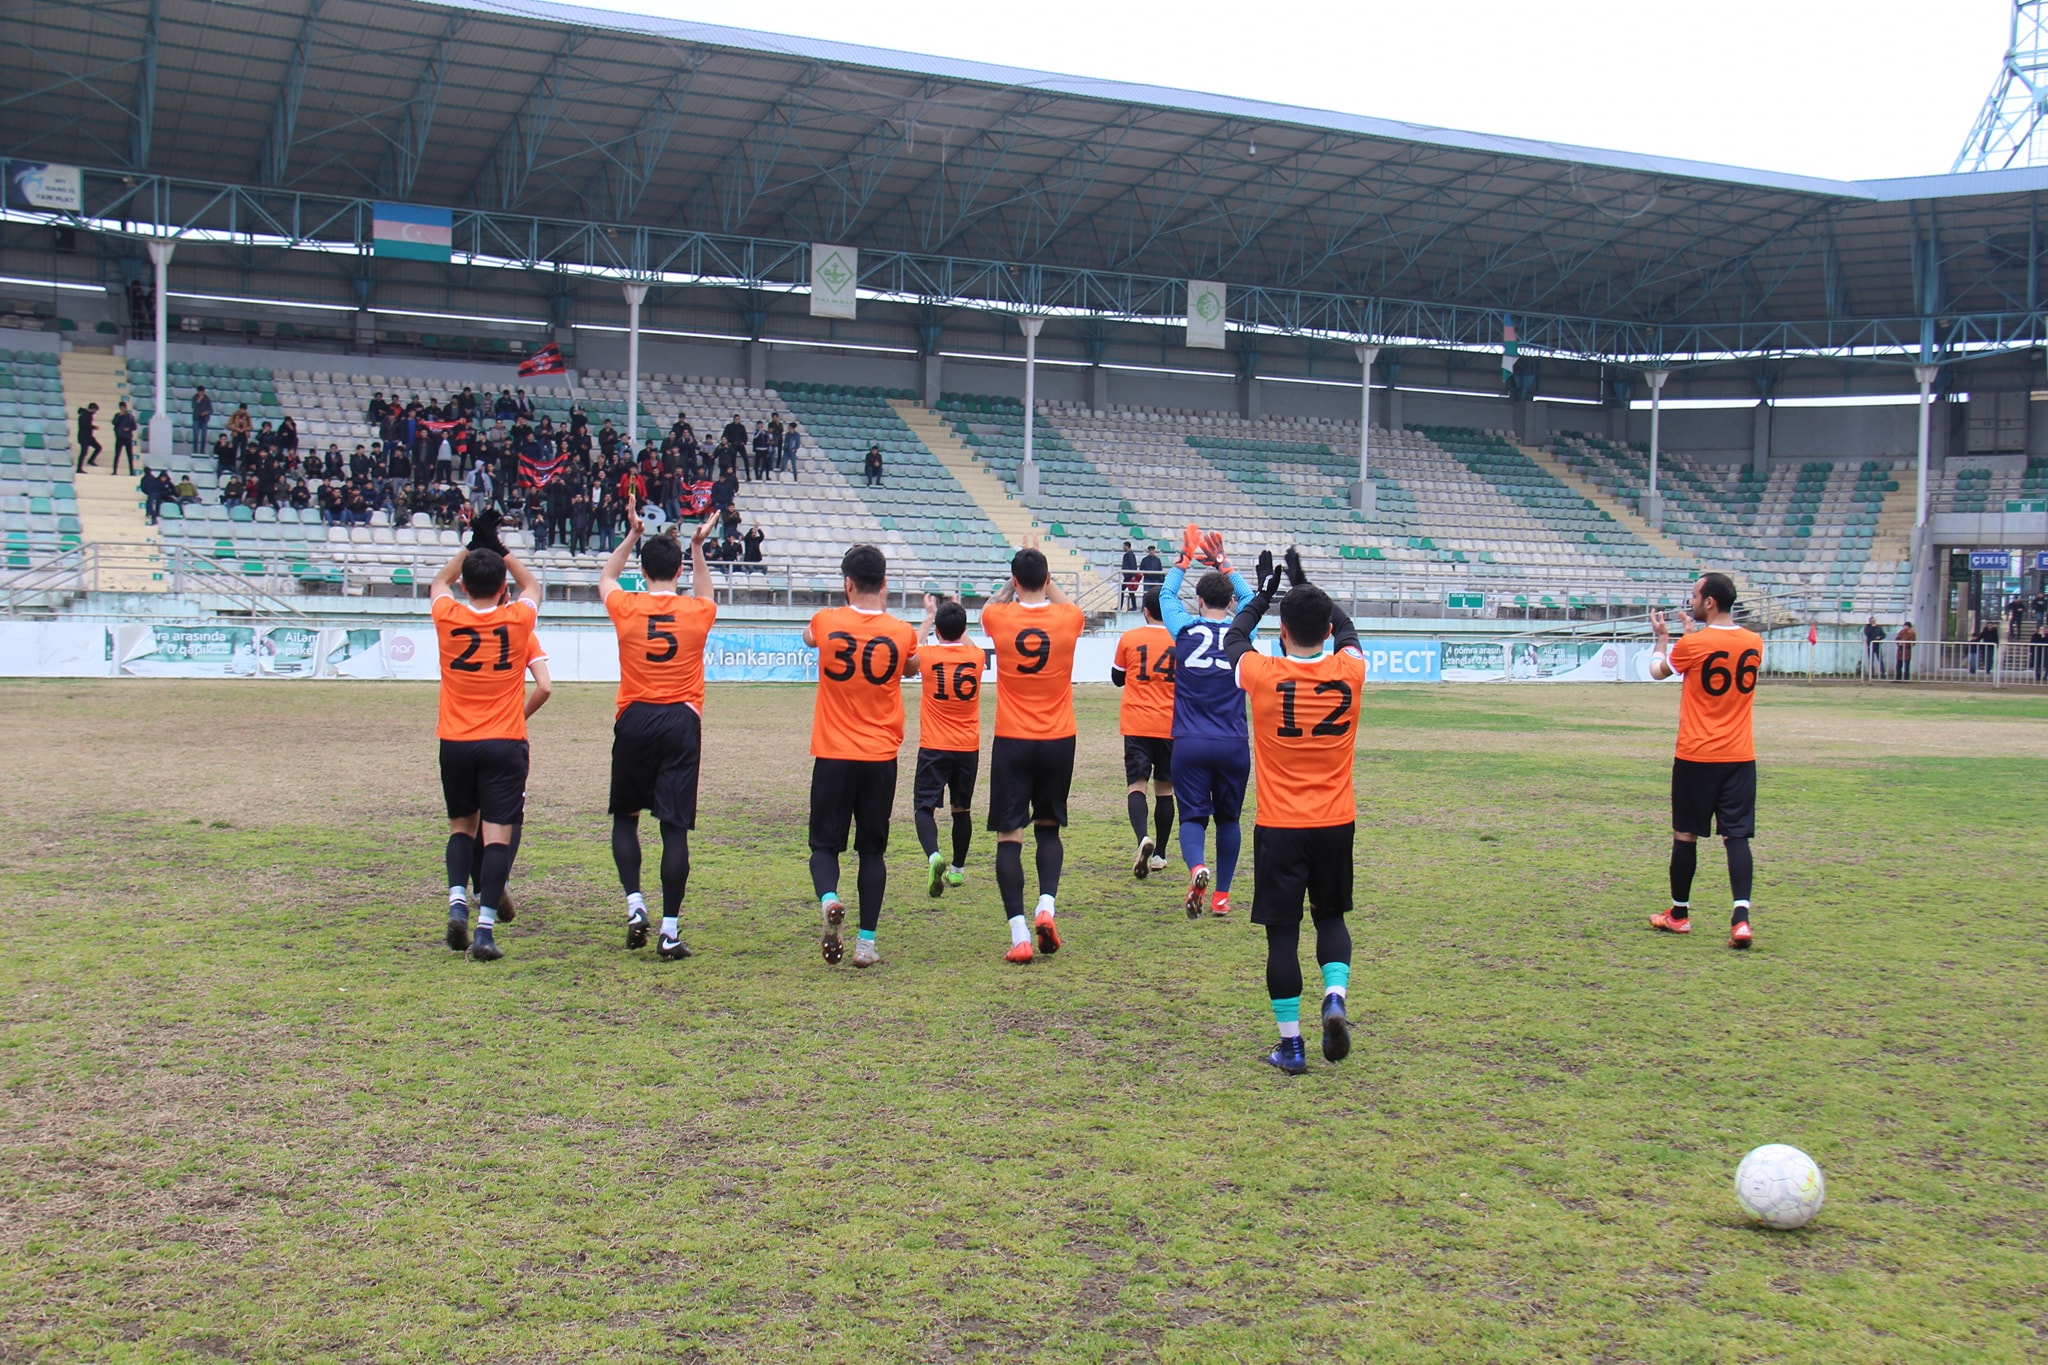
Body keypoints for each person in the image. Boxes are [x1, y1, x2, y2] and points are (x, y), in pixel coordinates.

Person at [1220, 550, 1366, 1074]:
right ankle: (1334, 996)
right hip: (1335, 820)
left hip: (1280, 825)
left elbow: (1234, 637)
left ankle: (1292, 1045)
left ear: (1282, 631)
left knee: (1281, 935)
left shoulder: (1261, 673)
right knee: (1331, 916)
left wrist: (1262, 594)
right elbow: (1346, 627)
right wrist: (1305, 584)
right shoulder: (1351, 671)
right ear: (1326, 631)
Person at [428, 521, 550, 962]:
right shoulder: (517, 618)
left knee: (462, 828)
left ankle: (457, 899)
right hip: (504, 739)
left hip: (456, 740)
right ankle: (484, 932)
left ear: (464, 584)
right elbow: (532, 583)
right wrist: (498, 547)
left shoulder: (447, 614)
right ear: (503, 587)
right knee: (498, 837)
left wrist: (471, 546)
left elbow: (440, 581)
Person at [601, 505, 718, 962]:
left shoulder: (626, 605)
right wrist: (697, 547)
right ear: (679, 571)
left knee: (626, 817)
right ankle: (670, 930)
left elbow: (606, 578)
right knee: (674, 828)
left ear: (643, 570)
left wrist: (631, 535)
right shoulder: (695, 612)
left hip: (635, 716)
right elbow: (708, 593)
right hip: (681, 720)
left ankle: (634, 905)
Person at [803, 544, 919, 968]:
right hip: (879, 756)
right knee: (872, 852)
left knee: (823, 845)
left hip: (833, 753)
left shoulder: (826, 621)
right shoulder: (901, 631)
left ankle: (830, 898)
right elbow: (911, 666)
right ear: (885, 583)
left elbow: (809, 636)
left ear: (847, 584)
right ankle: (866, 944)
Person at [982, 537, 1085, 963]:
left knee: (1010, 835)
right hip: (1059, 738)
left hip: (1013, 738)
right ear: (1045, 578)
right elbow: (1063, 603)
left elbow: (994, 602)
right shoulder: (1069, 618)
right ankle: (1046, 907)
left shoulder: (997, 617)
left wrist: (1014, 582)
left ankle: (1020, 934)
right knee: (1049, 827)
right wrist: (1047, 579)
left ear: (1014, 579)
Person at [1648, 572, 1764, 951]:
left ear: (1710, 601)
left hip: (1697, 754)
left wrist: (1663, 640)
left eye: (1695, 596)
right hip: (1740, 755)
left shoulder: (1694, 645)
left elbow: (1657, 671)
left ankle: (1679, 915)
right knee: (1737, 835)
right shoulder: (1754, 642)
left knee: (1686, 834)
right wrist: (1690, 637)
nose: (1691, 602)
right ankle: (1741, 920)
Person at [1159, 525, 1256, 916]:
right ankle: (1222, 896)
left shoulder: (1184, 628)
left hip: (1190, 741)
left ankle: (1198, 866)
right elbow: (1253, 598)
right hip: (1233, 742)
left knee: (1193, 817)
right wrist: (1224, 563)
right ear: (1231, 602)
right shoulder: (1240, 631)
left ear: (1198, 601)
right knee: (1229, 819)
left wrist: (1182, 560)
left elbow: (1165, 595)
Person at [912, 594, 984, 898]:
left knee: (923, 807)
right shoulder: (976, 657)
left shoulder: (927, 656)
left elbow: (908, 652)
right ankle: (957, 870)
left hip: (934, 744)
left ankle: (933, 855)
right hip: (967, 746)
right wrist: (954, 616)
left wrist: (929, 615)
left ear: (937, 631)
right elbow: (966, 643)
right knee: (961, 809)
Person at [1110, 588, 1176, 880]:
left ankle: (1142, 839)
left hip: (1138, 721)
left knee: (1137, 785)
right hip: (1172, 724)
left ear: (1146, 611)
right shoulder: (1181, 638)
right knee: (1165, 789)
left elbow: (1116, 678)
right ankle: (1160, 853)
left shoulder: (1130, 638)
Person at [111, 401, 138, 475]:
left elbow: (134, 427)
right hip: (119, 437)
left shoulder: (130, 416)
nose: (122, 409)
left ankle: (131, 471)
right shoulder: (117, 415)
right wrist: (119, 415)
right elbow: (114, 423)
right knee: (117, 455)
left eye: (123, 407)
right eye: (121, 408)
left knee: (129, 455)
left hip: (127, 438)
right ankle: (115, 471)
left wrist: (128, 429)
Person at [74, 402, 102, 471]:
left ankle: (90, 460)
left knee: (98, 448)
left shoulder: (86, 414)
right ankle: (79, 468)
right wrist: (93, 427)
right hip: (84, 437)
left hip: (88, 436)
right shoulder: (86, 415)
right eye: (95, 410)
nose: (95, 412)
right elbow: (85, 426)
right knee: (83, 452)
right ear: (93, 409)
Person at [191, 385, 213, 455]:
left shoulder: (207, 399)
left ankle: (202, 451)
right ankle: (195, 451)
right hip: (196, 419)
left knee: (204, 436)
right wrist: (198, 401)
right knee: (196, 436)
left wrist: (206, 412)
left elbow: (211, 410)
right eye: (200, 392)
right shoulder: (194, 397)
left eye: (202, 392)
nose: (201, 393)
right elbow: (193, 406)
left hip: (204, 419)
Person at [1862, 616, 1886, 681]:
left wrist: (1880, 637)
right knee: (1871, 660)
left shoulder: (1879, 628)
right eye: (1872, 621)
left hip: (1877, 645)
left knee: (1880, 660)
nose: (1873, 622)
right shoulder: (1867, 627)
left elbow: (1884, 635)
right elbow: (1867, 634)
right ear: (1870, 622)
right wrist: (1872, 627)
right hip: (1870, 645)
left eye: (1874, 621)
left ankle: (1883, 673)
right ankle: (1871, 673)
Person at [1119, 541, 1140, 612]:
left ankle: (1121, 606)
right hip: (1128, 576)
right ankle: (1133, 606)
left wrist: (1133, 575)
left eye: (1123, 546)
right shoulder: (1129, 554)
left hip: (1129, 576)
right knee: (1130, 592)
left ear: (1126, 546)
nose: (1123, 548)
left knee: (1122, 590)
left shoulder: (1130, 554)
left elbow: (1132, 565)